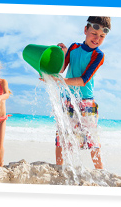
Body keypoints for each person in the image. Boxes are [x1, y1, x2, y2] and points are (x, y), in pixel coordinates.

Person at [47, 16, 108, 169]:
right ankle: (59, 168)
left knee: (91, 138)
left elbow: (83, 80)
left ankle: (99, 170)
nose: (97, 38)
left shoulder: (98, 55)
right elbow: (61, 69)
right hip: (67, 99)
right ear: (85, 30)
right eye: (94, 33)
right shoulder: (73, 47)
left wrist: (61, 81)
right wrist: (62, 54)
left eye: (102, 36)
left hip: (86, 101)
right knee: (61, 136)